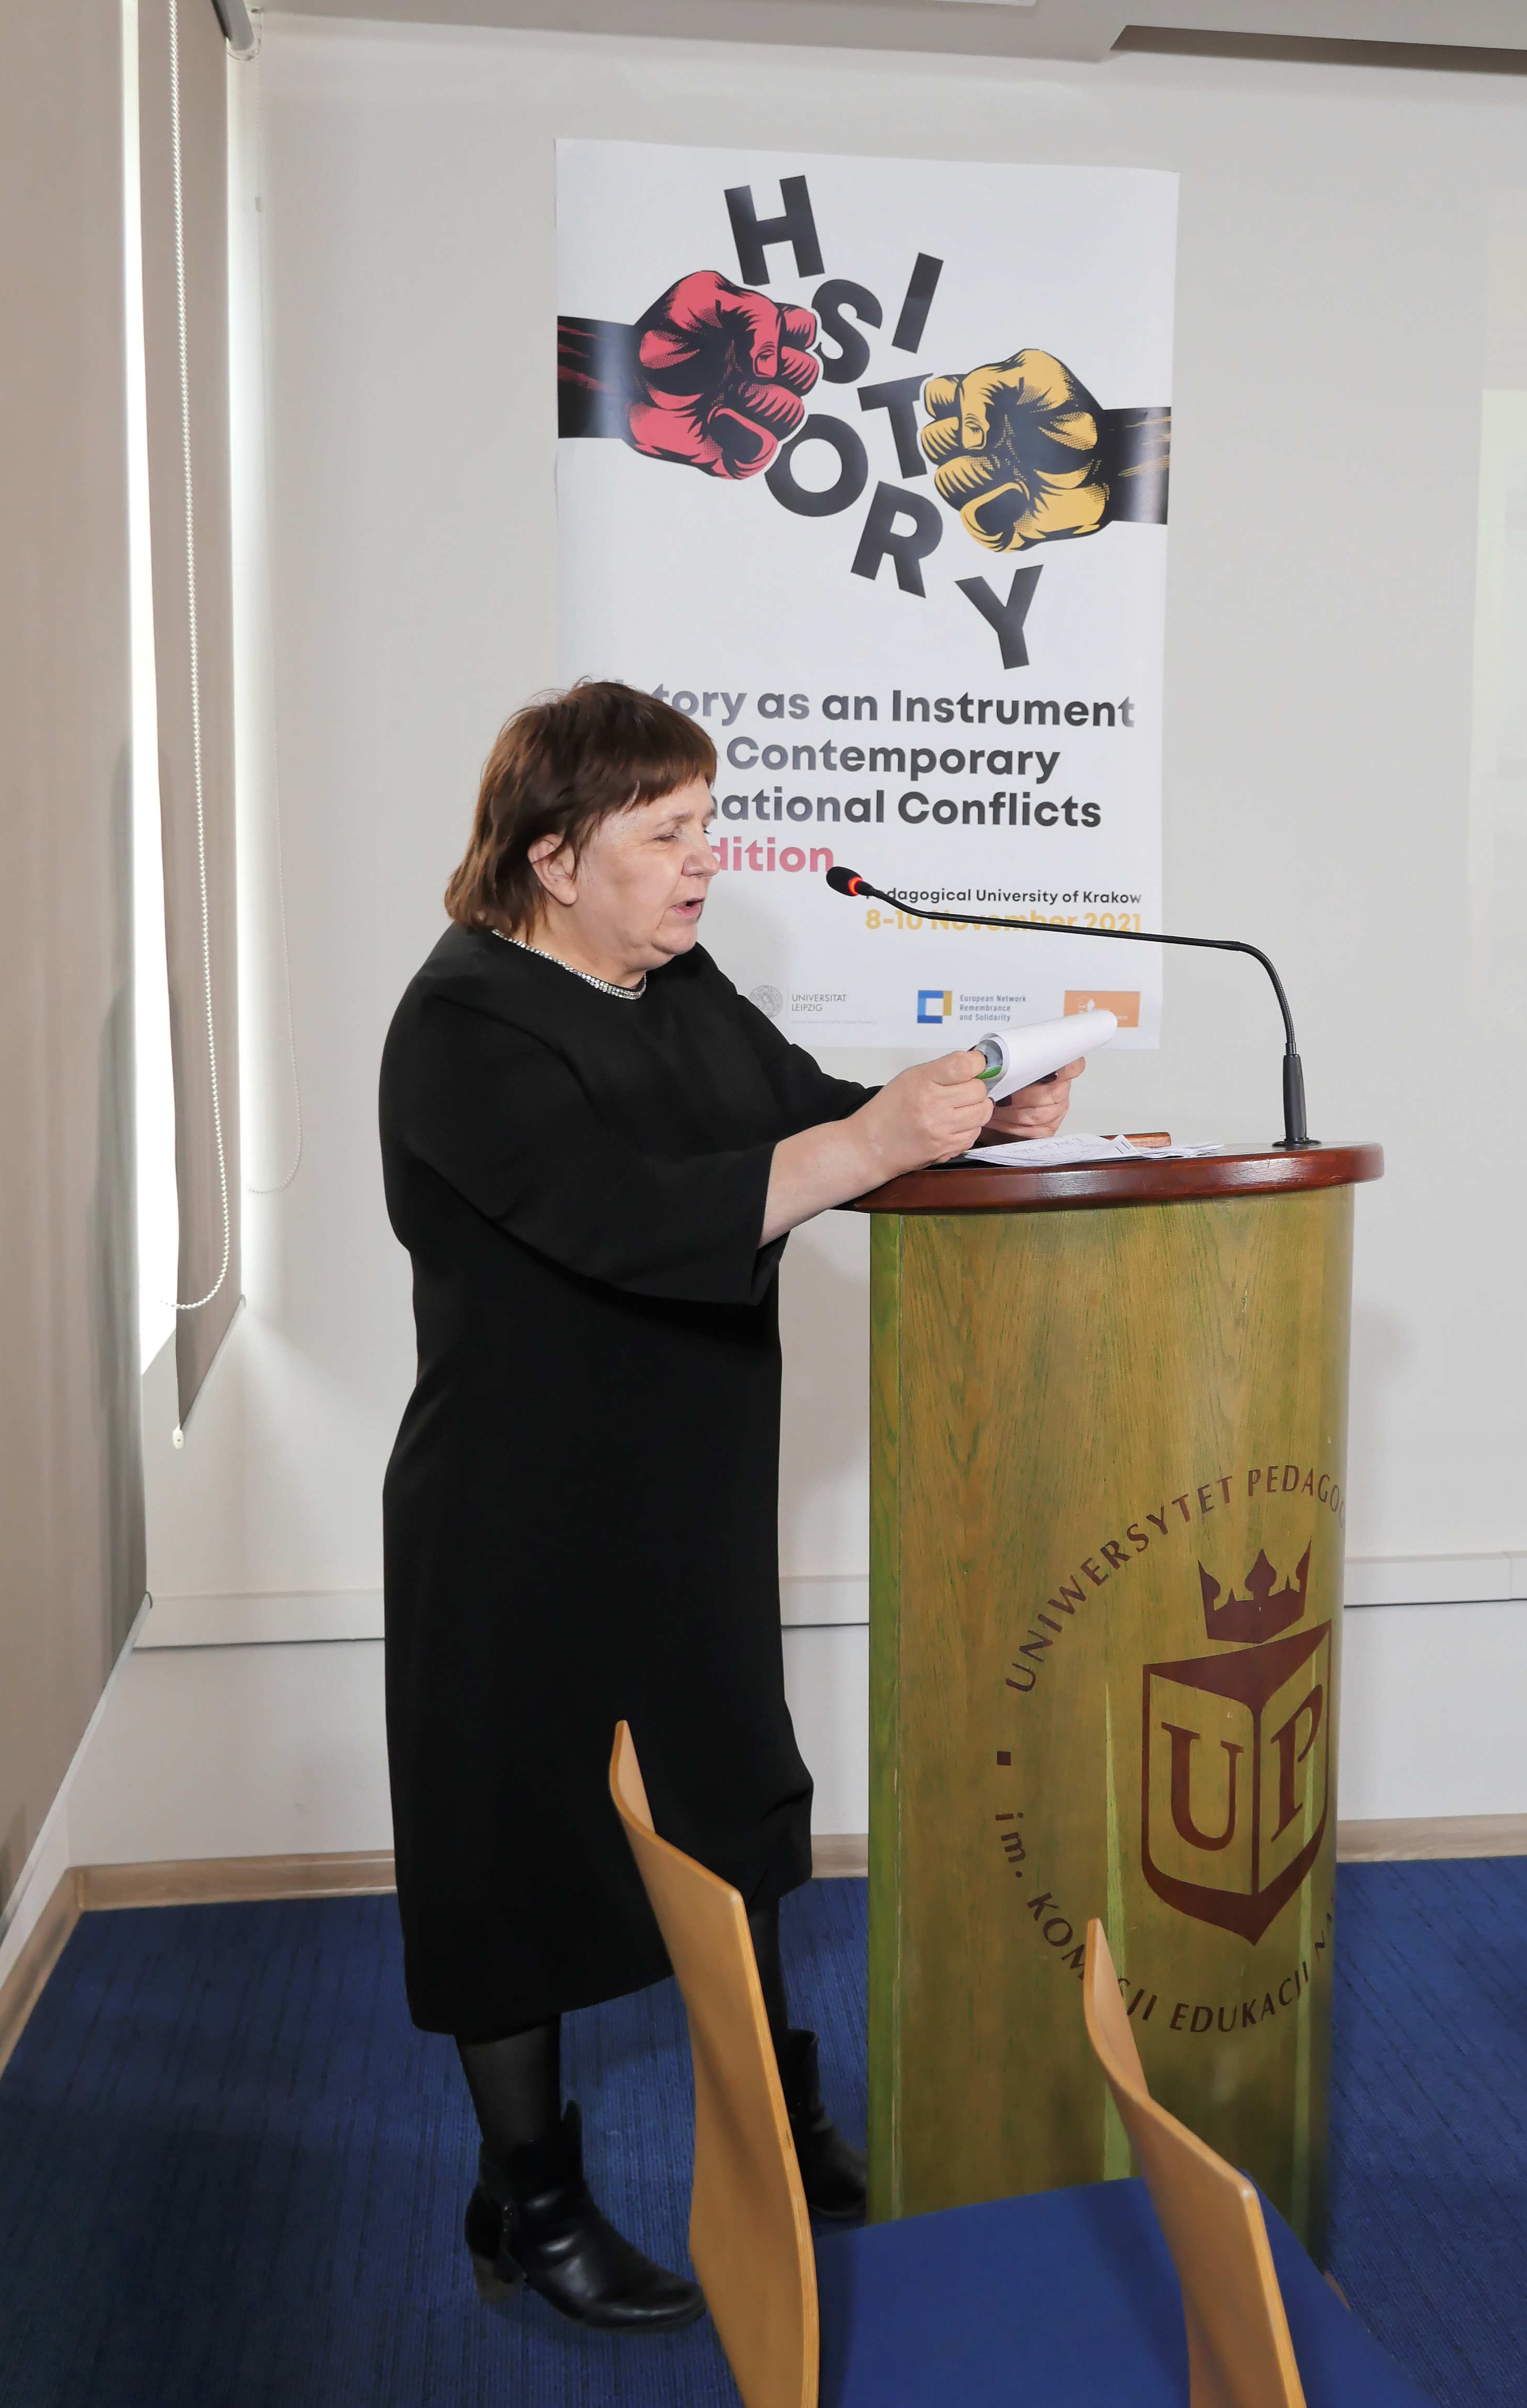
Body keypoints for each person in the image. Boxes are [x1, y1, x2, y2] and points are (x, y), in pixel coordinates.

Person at [378, 680, 1082, 2335]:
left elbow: (805, 1118)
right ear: (554, 857)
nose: (708, 860)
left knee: (733, 1800)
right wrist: (869, 1144)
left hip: (684, 1492)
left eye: (708, 824)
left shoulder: (675, 984)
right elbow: (627, 1216)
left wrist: (961, 1119)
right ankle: (527, 2199)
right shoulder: (463, 1023)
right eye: (667, 833)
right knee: (516, 1844)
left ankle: (777, 2124)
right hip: (516, 1513)